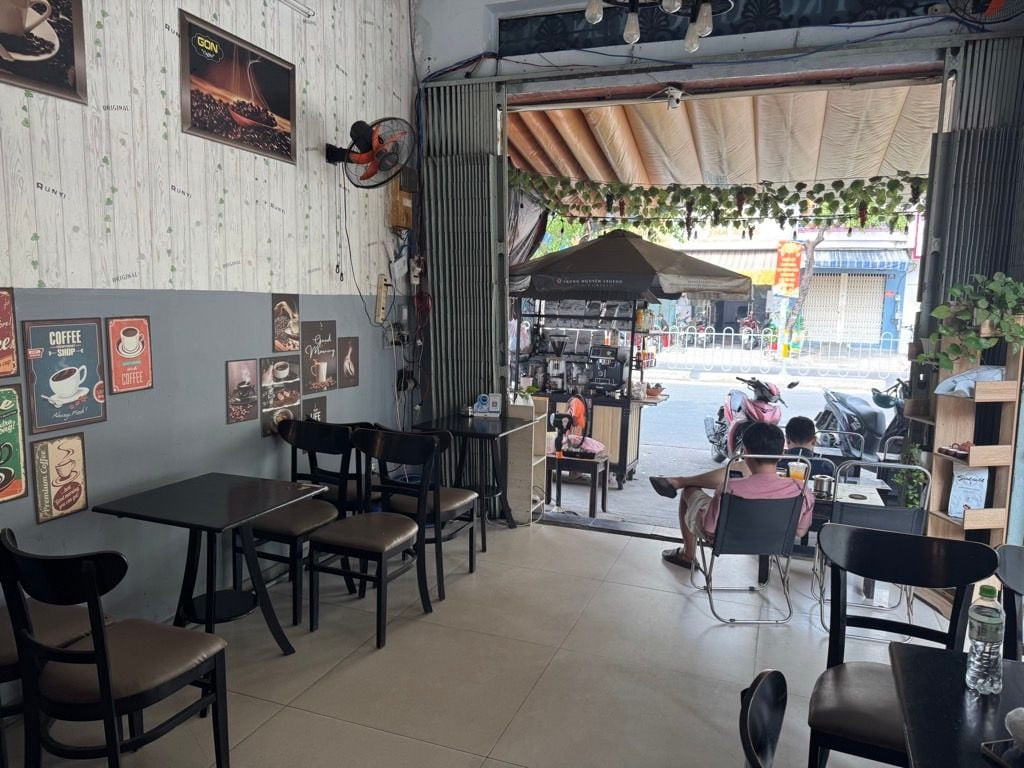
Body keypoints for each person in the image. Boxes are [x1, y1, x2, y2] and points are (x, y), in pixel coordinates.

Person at [649, 422, 814, 569]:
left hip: (728, 540)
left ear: (745, 452)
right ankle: (679, 482)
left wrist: (706, 510)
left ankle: (688, 554)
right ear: (782, 454)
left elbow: (709, 529)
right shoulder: (801, 490)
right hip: (774, 542)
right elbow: (800, 531)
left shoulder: (729, 488)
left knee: (689, 490)